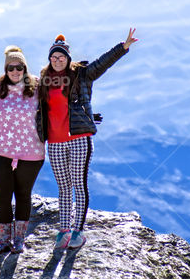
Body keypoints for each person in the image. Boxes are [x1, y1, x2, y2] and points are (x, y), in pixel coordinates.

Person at [38, 29, 138, 250]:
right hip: (54, 142)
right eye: (53, 57)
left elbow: (101, 64)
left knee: (78, 184)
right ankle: (63, 230)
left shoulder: (81, 75)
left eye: (61, 57)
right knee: (63, 187)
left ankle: (78, 232)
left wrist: (123, 47)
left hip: (78, 138)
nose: (57, 61)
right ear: (49, 59)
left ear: (68, 59)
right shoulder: (44, 81)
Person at [0, 46, 45, 255]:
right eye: (11, 67)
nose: (15, 71)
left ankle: (19, 240)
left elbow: (58, 104)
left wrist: (83, 116)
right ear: (6, 69)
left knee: (23, 195)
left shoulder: (37, 88)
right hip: (2, 152)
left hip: (31, 153)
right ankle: (3, 240)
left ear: (24, 67)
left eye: (19, 67)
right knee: (2, 197)